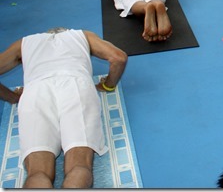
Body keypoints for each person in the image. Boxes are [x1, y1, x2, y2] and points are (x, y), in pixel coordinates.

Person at [0, 28, 128, 188]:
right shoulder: (82, 35)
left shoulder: (25, 42)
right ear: (65, 31)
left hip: (36, 92)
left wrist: (13, 98)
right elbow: (119, 58)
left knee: (38, 173)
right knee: (79, 166)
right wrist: (107, 85)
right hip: (76, 87)